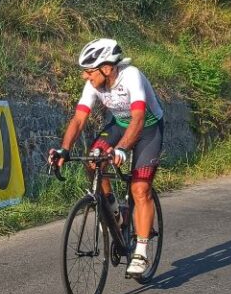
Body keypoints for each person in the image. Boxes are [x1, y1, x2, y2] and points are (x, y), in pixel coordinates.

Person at [49, 38, 164, 276]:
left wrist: (122, 148)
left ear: (107, 68)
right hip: (118, 125)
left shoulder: (131, 76)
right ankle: (114, 209)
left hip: (147, 129)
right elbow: (79, 119)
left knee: (140, 188)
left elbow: (139, 119)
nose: (85, 77)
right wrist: (64, 149)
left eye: (89, 71)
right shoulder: (94, 84)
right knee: (93, 158)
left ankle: (141, 250)